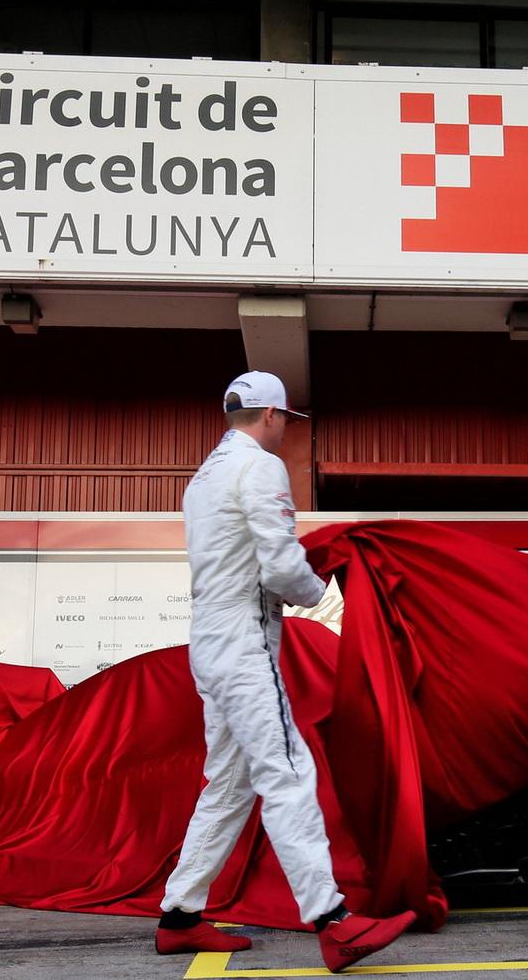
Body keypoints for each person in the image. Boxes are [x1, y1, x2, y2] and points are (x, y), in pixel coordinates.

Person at [158, 370, 415, 972]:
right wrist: (322, 586)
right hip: (247, 640)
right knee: (289, 770)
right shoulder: (262, 467)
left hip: (212, 640)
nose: (286, 434)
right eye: (287, 422)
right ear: (272, 416)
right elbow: (279, 564)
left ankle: (179, 917)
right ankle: (333, 921)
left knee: (228, 784)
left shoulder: (205, 476)